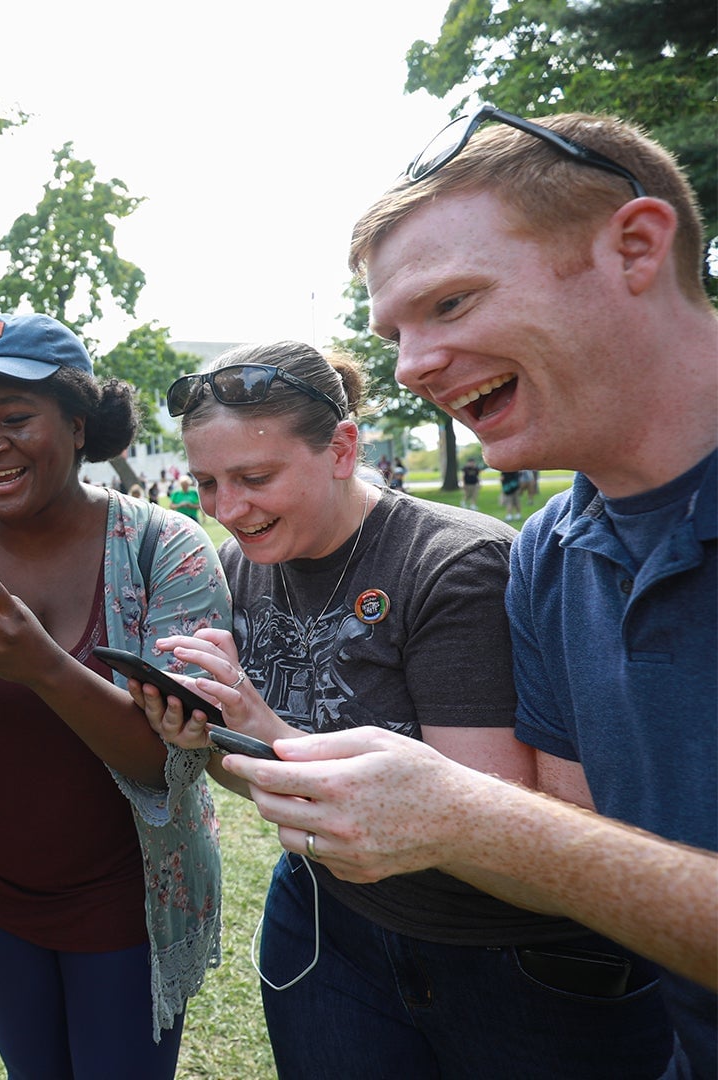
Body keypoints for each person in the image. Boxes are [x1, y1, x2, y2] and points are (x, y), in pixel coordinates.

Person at [218, 109, 717, 1077]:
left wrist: (464, 815)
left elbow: (526, 840)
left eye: (450, 304)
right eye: (396, 333)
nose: (410, 367)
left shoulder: (478, 558)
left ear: (637, 246)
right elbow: (592, 872)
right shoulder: (551, 558)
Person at [137, 340, 672, 1078]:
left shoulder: (452, 566)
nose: (227, 510)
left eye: (254, 477)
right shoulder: (241, 568)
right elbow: (260, 780)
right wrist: (207, 738)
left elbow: (472, 825)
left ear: (342, 448)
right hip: (332, 927)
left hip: (506, 960)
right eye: (206, 482)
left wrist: (266, 729)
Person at [0, 312, 227, 1078]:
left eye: (14, 418)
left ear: (77, 421)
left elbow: (174, 764)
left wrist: (43, 666)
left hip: (129, 907)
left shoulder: (167, 548)